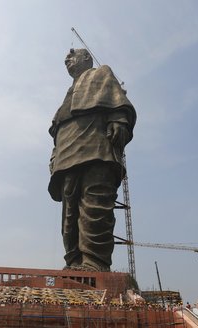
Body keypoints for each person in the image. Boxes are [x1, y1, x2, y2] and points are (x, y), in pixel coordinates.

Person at [48, 48, 136, 272]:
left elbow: (118, 103)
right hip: (67, 152)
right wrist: (54, 156)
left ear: (86, 58)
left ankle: (94, 262)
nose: (67, 59)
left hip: (95, 146)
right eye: (65, 58)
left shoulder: (101, 74)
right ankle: (74, 261)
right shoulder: (68, 94)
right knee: (70, 214)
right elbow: (57, 130)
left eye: (72, 55)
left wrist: (118, 119)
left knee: (95, 205)